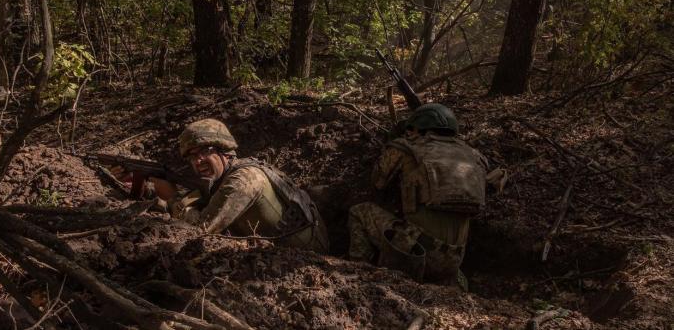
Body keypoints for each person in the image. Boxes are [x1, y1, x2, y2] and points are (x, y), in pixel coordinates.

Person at [115, 118, 329, 253]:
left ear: (224, 150)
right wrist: (148, 188)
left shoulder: (244, 180)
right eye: (191, 157)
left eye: (203, 151)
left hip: (306, 256)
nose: (197, 162)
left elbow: (199, 231)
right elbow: (198, 199)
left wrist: (171, 199)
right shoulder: (226, 176)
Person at [347, 104, 489, 288]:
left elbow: (377, 182)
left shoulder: (406, 148)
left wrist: (392, 142)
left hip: (417, 253)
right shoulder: (474, 156)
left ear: (418, 128)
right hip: (455, 261)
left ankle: (356, 274)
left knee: (359, 212)